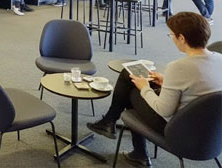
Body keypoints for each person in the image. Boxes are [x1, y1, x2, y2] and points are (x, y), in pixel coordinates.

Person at [86, 12, 222, 167]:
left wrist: (144, 88)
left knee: (132, 89)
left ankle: (131, 144)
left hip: (179, 131)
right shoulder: (219, 59)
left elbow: (164, 110)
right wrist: (165, 82)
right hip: (212, 133)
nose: (171, 38)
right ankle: (112, 125)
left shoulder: (178, 67)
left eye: (172, 35)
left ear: (182, 38)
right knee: (133, 80)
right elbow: (199, 90)